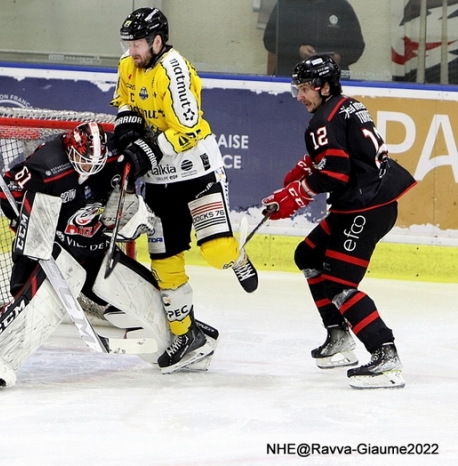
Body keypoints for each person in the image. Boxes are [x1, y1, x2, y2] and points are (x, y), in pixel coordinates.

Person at [0, 122, 219, 389]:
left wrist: (136, 175)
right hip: (55, 250)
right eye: (83, 162)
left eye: (97, 163)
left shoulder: (117, 151)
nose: (90, 168)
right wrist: (24, 218)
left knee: (138, 290)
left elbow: (154, 146)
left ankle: (188, 342)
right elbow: (8, 192)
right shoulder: (46, 166)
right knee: (41, 304)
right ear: (71, 152)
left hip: (95, 247)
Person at [110, 7, 257, 373]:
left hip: (197, 172)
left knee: (216, 252)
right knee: (164, 263)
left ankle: (236, 256)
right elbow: (125, 98)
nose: (132, 50)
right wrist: (127, 124)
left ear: (158, 41)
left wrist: (149, 148)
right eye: (129, 43)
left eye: (138, 43)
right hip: (159, 181)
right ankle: (187, 336)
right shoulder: (128, 64)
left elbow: (189, 129)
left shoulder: (174, 71)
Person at [261, 54, 416, 389]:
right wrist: (309, 164)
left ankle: (385, 355)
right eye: (298, 88)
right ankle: (338, 335)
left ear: (325, 86)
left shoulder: (323, 121)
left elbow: (335, 174)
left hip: (366, 208)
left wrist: (296, 194)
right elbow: (345, 150)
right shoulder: (348, 105)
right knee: (308, 255)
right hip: (366, 202)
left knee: (339, 284)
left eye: (305, 88)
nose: (299, 96)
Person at [263, 0, 365, 77]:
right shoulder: (286, 4)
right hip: (291, 76)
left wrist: (339, 57)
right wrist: (297, 50)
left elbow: (357, 46)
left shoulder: (342, 7)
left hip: (331, 79)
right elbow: (270, 40)